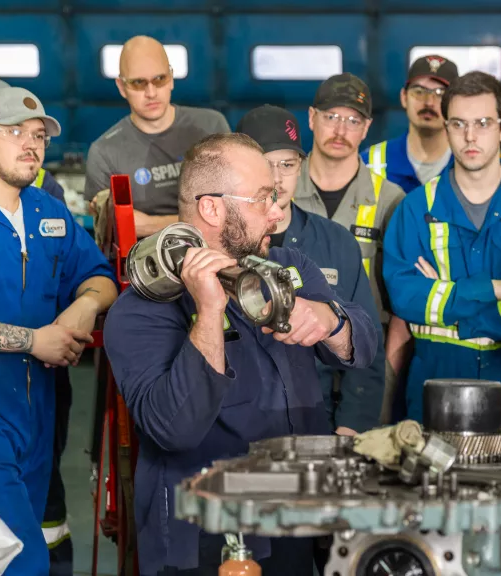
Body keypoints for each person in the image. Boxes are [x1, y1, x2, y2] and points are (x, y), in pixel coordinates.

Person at [104, 132, 378, 575]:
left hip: (295, 522)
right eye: (262, 199)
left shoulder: (291, 268)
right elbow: (174, 429)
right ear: (212, 207)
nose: (277, 212)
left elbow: (364, 346)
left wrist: (330, 320)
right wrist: (209, 312)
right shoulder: (139, 312)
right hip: (205, 540)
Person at [0, 86, 118, 575]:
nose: (32, 144)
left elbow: (99, 276)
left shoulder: (50, 213)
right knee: (23, 563)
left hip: (38, 416)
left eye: (39, 135)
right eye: (15, 133)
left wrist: (82, 309)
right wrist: (33, 340)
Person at [383, 71, 501, 447]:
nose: (470, 136)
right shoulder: (415, 209)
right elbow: (406, 298)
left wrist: (446, 296)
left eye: (483, 123)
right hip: (434, 377)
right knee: (431, 496)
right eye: (459, 124)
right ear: (445, 128)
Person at [236, 103, 385, 434]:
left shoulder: (336, 242)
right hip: (240, 419)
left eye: (286, 164)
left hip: (316, 418)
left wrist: (350, 428)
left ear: (301, 166)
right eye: (265, 165)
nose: (276, 179)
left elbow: (367, 342)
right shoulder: (225, 241)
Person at [293, 73, 404, 423]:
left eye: (353, 120)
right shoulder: (280, 193)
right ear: (312, 118)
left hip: (365, 364)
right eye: (331, 117)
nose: (341, 130)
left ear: (367, 128)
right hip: (296, 357)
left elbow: (396, 300)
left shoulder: (390, 200)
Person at [84, 35, 231, 238]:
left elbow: (234, 207)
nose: (151, 92)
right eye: (138, 83)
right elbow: (110, 230)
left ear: (171, 78)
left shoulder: (212, 127)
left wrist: (150, 224)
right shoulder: (105, 152)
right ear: (121, 87)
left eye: (159, 79)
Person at [361, 55, 459, 194]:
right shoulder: (370, 164)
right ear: (404, 97)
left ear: (455, 103)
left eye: (440, 94)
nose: (429, 102)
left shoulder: (471, 165)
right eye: (419, 92)